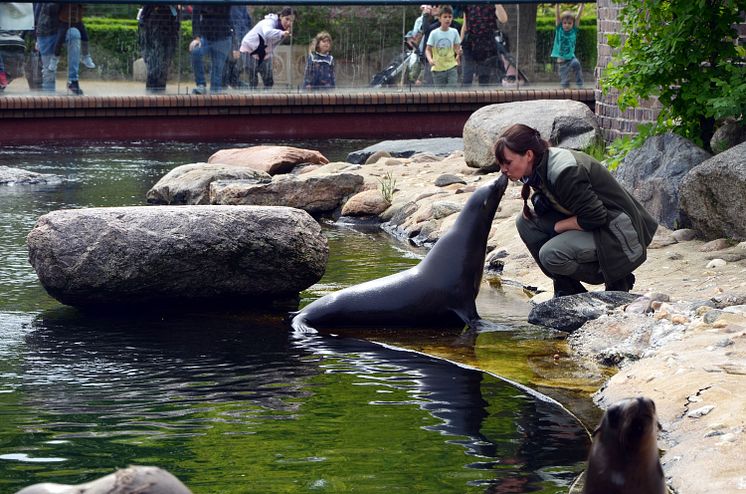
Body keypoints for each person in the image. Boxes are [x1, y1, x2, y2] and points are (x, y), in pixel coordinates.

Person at [494, 123, 658, 297]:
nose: (503, 170)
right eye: (500, 164)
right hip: (600, 225)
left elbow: (595, 217)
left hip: (620, 234)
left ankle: (616, 277)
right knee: (525, 223)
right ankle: (567, 285)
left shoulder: (565, 171)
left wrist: (558, 227)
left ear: (528, 155)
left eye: (507, 162)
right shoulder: (538, 167)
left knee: (550, 254)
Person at [34, 3, 84, 95]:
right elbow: (40, 10)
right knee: (49, 73)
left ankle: (73, 80)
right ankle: (48, 101)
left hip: (65, 28)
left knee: (74, 34)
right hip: (46, 31)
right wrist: (36, 37)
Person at [240, 7, 294, 90]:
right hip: (249, 50)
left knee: (269, 82)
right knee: (253, 81)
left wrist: (271, 55)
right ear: (281, 17)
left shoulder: (284, 30)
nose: (289, 23)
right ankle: (249, 99)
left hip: (263, 53)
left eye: (291, 21)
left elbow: (273, 45)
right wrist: (282, 33)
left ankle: (264, 101)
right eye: (287, 19)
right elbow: (267, 33)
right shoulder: (269, 22)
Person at [189, 4, 232, 94]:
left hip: (223, 37)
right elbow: (195, 15)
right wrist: (197, 38)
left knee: (217, 72)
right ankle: (201, 84)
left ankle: (215, 92)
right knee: (196, 51)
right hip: (205, 36)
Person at [460, 4, 507, 86]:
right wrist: (461, 43)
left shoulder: (491, 4)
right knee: (467, 76)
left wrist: (497, 3)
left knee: (484, 77)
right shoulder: (469, 4)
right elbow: (465, 24)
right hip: (471, 44)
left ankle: (483, 97)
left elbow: (503, 19)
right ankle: (466, 97)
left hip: (487, 45)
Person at [138, 4, 179, 93]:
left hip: (168, 26)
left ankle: (159, 92)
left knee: (164, 63)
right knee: (154, 63)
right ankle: (152, 92)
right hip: (155, 24)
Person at [47, 4, 95, 73]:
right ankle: (54, 60)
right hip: (64, 21)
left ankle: (86, 57)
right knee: (59, 40)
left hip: (77, 20)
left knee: (85, 38)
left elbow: (85, 6)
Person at [425, 4, 460, 87]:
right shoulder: (434, 33)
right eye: (445, 17)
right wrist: (430, 60)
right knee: (441, 95)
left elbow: (457, 47)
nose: (447, 19)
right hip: (438, 69)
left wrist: (459, 53)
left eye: (450, 17)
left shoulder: (454, 32)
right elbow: (427, 50)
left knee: (452, 91)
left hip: (451, 67)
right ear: (440, 18)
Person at [551, 3, 584, 88]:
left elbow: (578, 16)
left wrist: (582, 5)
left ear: (573, 24)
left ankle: (580, 84)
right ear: (562, 23)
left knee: (577, 63)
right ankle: (565, 87)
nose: (567, 25)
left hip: (571, 58)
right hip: (562, 61)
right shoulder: (559, 29)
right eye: (565, 23)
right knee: (564, 83)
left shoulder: (574, 30)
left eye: (569, 23)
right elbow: (557, 16)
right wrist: (557, 5)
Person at [223, 5, 252, 90]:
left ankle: (233, 82)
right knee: (230, 60)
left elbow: (247, 22)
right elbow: (232, 24)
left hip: (241, 37)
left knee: (236, 62)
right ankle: (226, 83)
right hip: (232, 37)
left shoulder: (243, 6)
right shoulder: (232, 6)